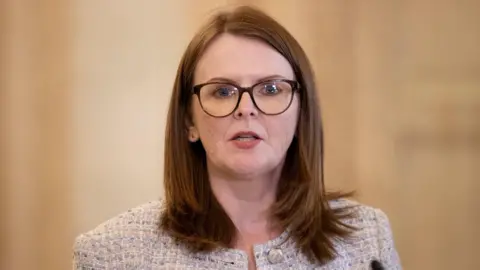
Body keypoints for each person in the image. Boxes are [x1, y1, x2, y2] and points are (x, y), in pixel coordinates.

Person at [73, 5, 401, 269]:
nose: (246, 108)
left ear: (301, 113)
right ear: (189, 120)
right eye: (223, 91)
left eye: (271, 89)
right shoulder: (109, 255)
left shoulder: (366, 237)